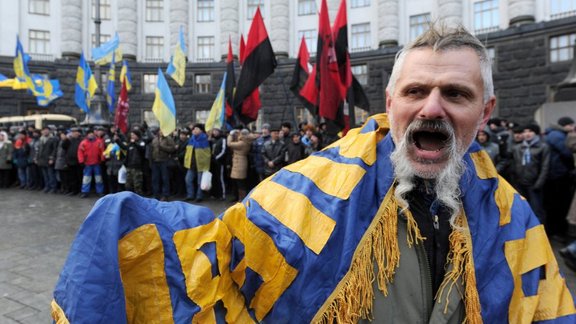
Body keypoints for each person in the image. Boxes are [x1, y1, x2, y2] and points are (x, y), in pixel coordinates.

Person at [52, 24, 575, 323]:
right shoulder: (311, 187)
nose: (432, 108)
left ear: (485, 111)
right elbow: (224, 262)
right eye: (416, 92)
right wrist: (128, 235)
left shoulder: (516, 219)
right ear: (391, 101)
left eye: (456, 94)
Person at [510, 123, 550, 223]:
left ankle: (540, 234)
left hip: (534, 183)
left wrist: (538, 183)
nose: (527, 134)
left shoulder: (543, 147)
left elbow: (545, 167)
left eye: (530, 131)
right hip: (520, 183)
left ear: (536, 133)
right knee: (521, 209)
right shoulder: (518, 148)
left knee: (537, 210)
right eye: (525, 131)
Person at [544, 116, 575, 240]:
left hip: (556, 173)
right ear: (565, 125)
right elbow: (567, 152)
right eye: (571, 125)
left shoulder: (554, 134)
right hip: (557, 174)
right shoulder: (557, 135)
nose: (573, 128)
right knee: (558, 205)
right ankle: (556, 232)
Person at [184, 124, 211, 202]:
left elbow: (206, 153)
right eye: (193, 129)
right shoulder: (191, 139)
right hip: (191, 164)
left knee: (200, 182)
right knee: (188, 180)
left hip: (201, 164)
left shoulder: (204, 139)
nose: (194, 130)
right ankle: (190, 195)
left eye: (196, 129)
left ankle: (199, 196)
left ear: (201, 130)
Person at [77, 129, 105, 198]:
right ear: (87, 135)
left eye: (92, 133)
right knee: (86, 179)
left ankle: (100, 192)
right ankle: (85, 192)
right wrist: (81, 161)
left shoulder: (99, 142)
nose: (91, 135)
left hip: (97, 163)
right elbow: (80, 152)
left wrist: (102, 160)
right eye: (89, 134)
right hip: (87, 164)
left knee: (98, 179)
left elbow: (102, 151)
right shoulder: (83, 143)